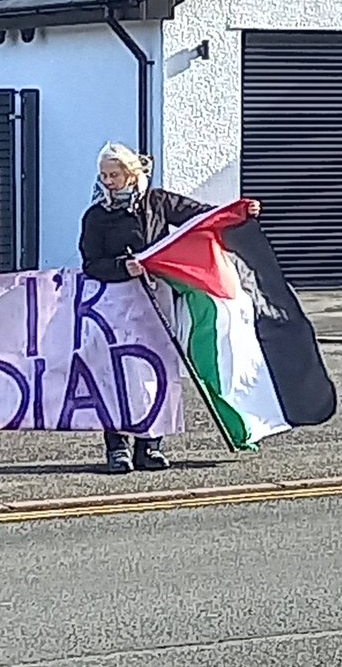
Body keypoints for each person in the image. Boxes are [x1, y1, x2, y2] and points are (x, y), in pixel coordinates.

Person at [79, 142, 262, 474]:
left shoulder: (159, 202)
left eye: (114, 175)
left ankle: (150, 445)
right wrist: (123, 266)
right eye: (104, 176)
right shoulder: (96, 216)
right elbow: (91, 263)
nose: (108, 182)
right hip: (117, 301)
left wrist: (238, 213)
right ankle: (117, 446)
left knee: (157, 371)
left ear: (131, 174)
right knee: (119, 373)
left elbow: (201, 216)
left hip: (156, 298)